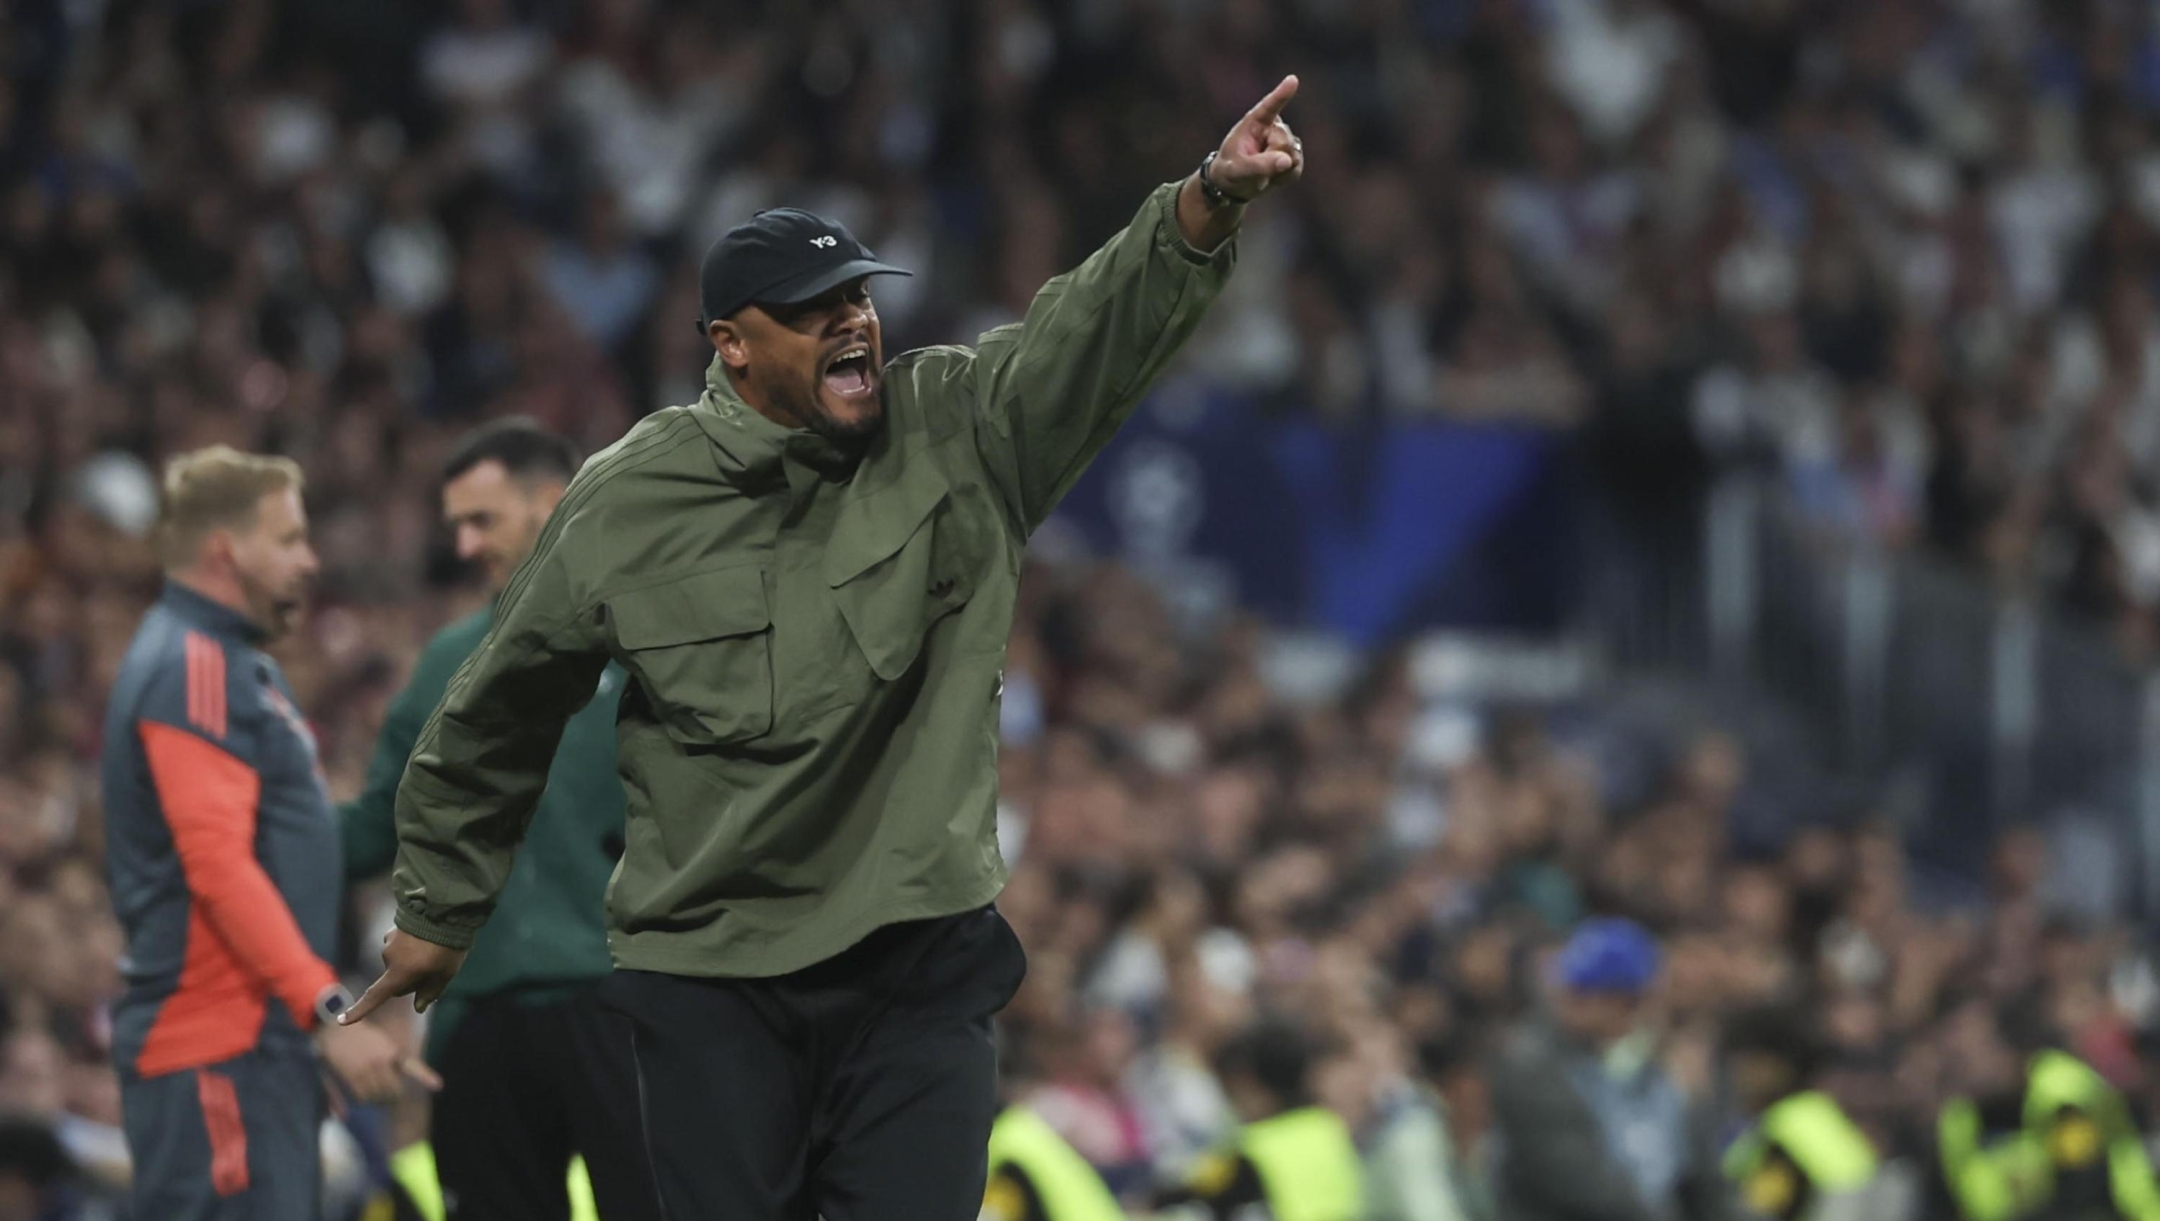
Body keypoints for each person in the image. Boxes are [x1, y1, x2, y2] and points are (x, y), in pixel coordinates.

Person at [342, 75, 1308, 1218]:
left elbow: (1085, 337)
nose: (852, 318)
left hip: (912, 969)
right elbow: (497, 710)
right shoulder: (626, 504)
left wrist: (1201, 205)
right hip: (709, 980)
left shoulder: (959, 429)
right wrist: (436, 914)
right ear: (732, 347)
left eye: (857, 294)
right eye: (812, 308)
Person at [100, 446, 432, 1221]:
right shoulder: (193, 665)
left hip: (253, 1045)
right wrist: (326, 1008)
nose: (309, 560)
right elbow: (217, 865)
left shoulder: (229, 664)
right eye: (288, 539)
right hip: (216, 1046)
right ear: (225, 550)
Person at [341, 418, 654, 1221]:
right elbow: (378, 825)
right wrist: (254, 835)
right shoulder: (447, 661)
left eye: (484, 520)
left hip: (628, 1000)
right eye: (456, 526)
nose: (467, 543)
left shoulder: (649, 637)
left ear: (551, 505)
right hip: (480, 1017)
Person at [1489, 917, 1734, 1221]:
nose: (1639, 1018)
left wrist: (1692, 1102)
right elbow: (1581, 1183)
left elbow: (1700, 1176)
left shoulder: (1638, 1060)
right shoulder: (1529, 1065)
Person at [1153, 1018, 1365, 1221]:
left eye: (1230, 1091)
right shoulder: (1327, 1128)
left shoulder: (1253, 1150)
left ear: (1248, 1084)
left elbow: (1192, 1190)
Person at [1719, 1006, 1896, 1221]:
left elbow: (1762, 1208)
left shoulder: (1782, 1128)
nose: (1741, 1074)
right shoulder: (1820, 1116)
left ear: (1780, 1067)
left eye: (1751, 1062)